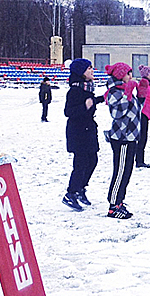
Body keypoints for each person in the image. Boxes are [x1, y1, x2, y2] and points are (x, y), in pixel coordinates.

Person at [62, 58, 104, 212]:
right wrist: (84, 106)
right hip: (78, 132)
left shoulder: (86, 89)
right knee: (80, 164)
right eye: (88, 69)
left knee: (92, 160)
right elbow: (69, 112)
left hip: (88, 130)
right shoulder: (74, 91)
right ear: (81, 72)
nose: (92, 71)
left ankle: (81, 188)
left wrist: (102, 99)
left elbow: (91, 101)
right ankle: (71, 193)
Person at [105, 62, 142, 219]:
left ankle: (120, 201)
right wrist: (127, 94)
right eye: (128, 74)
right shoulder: (114, 91)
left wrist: (140, 95)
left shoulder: (124, 90)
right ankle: (113, 205)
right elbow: (117, 113)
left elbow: (134, 109)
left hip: (130, 137)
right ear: (120, 75)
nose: (131, 77)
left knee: (127, 171)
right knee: (120, 171)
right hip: (122, 138)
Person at [135, 65, 150, 168]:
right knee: (141, 138)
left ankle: (140, 159)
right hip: (142, 114)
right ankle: (139, 160)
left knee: (144, 137)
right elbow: (143, 100)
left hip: (147, 113)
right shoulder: (144, 84)